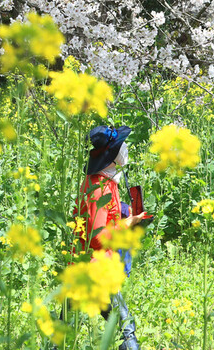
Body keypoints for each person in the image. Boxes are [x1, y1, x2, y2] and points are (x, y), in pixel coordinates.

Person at [71, 125, 145, 350]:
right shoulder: (98, 188)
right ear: (111, 154)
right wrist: (127, 224)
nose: (126, 148)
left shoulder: (107, 183)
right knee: (126, 327)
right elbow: (97, 237)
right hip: (96, 268)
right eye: (121, 145)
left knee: (66, 326)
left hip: (94, 267)